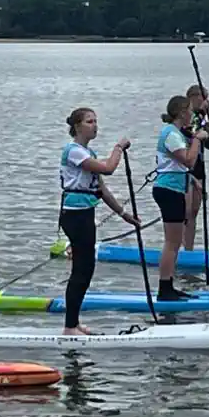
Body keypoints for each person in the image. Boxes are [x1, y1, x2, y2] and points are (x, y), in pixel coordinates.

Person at [58, 108, 139, 335]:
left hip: (85, 214)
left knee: (87, 269)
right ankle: (69, 327)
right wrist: (118, 148)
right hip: (74, 216)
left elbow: (101, 189)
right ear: (77, 127)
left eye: (96, 121)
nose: (95, 125)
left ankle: (74, 323)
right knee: (81, 271)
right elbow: (109, 168)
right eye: (89, 121)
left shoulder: (87, 151)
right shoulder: (73, 151)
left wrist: (125, 215)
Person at [151, 96, 206, 302]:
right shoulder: (171, 134)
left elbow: (182, 167)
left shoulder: (176, 133)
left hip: (175, 188)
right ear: (182, 112)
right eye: (190, 111)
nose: (192, 114)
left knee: (174, 241)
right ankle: (164, 288)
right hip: (168, 190)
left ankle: (169, 285)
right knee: (172, 243)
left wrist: (193, 181)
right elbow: (189, 161)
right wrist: (198, 139)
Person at [182, 84, 209, 253]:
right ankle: (180, 247)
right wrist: (202, 116)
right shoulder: (187, 117)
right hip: (185, 166)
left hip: (199, 166)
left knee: (194, 211)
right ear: (194, 98)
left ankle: (189, 248)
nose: (207, 102)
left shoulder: (203, 118)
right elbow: (191, 133)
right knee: (186, 211)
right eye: (204, 98)